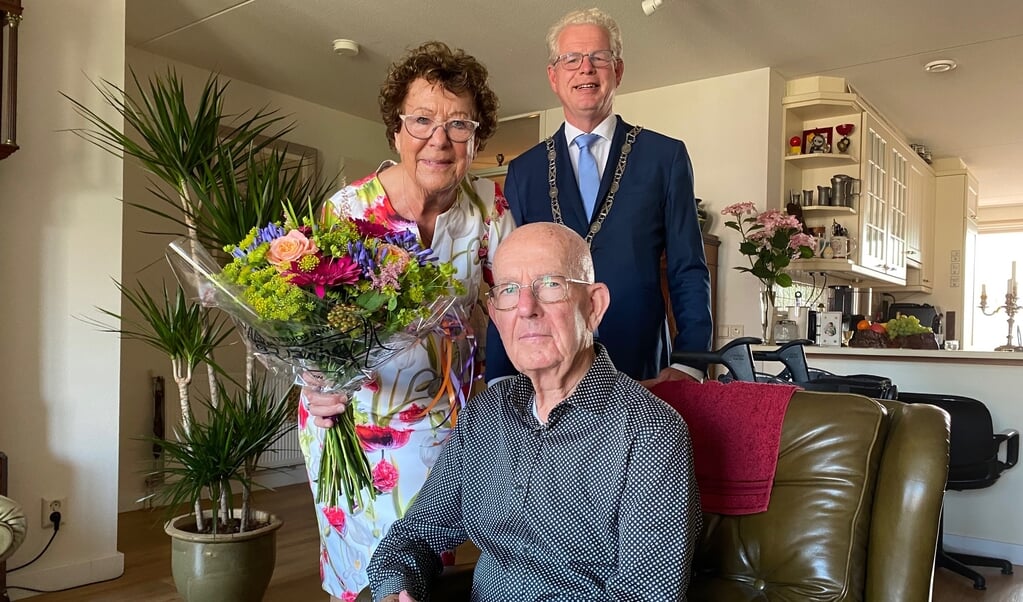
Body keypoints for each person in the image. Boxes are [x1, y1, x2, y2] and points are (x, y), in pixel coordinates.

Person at [367, 222, 701, 601]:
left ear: (593, 306)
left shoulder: (652, 433)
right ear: (496, 315)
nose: (526, 308)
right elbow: (413, 536)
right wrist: (397, 590)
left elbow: (646, 596)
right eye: (509, 290)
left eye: (551, 284)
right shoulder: (484, 416)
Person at [299, 41, 514, 601]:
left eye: (458, 124)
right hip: (350, 423)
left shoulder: (488, 211)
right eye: (421, 120)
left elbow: (517, 302)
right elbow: (309, 324)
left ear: (476, 137)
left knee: (417, 574)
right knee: (361, 579)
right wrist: (312, 380)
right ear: (396, 131)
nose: (438, 140)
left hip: (447, 433)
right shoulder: (348, 212)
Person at [485, 8, 712, 386]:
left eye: (599, 58)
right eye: (571, 59)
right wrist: (499, 376)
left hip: (641, 368)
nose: (585, 69)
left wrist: (690, 361)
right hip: (546, 373)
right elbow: (505, 278)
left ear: (617, 71)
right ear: (553, 77)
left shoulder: (664, 157)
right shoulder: (524, 171)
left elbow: (687, 267)